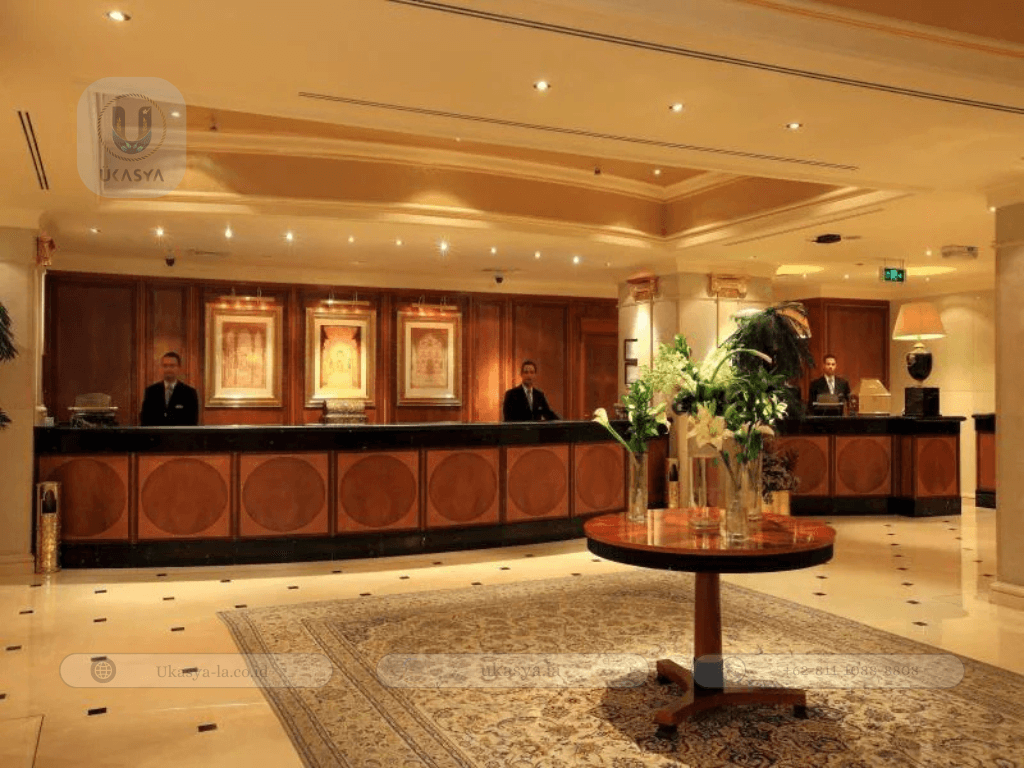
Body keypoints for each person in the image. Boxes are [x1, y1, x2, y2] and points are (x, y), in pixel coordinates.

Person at [140, 351, 199, 426]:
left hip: (179, 433)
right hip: (155, 433)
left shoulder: (189, 393)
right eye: (165, 366)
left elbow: (192, 422)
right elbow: (145, 419)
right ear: (161, 368)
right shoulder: (151, 391)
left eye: (172, 366)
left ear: (179, 368)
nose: (168, 369)